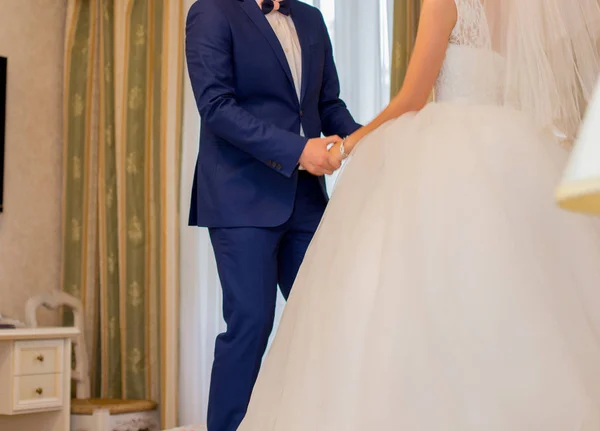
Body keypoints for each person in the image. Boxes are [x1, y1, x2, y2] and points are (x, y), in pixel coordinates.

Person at [237, 0, 600, 429]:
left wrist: (347, 147)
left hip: (453, 155)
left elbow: (411, 98)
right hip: (513, 149)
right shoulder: (523, 10)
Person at [185, 0, 360, 430]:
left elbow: (326, 104)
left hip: (306, 200)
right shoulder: (211, 11)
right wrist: (300, 150)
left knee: (331, 315)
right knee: (251, 322)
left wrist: (368, 139)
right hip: (240, 196)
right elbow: (217, 107)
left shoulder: (311, 18)